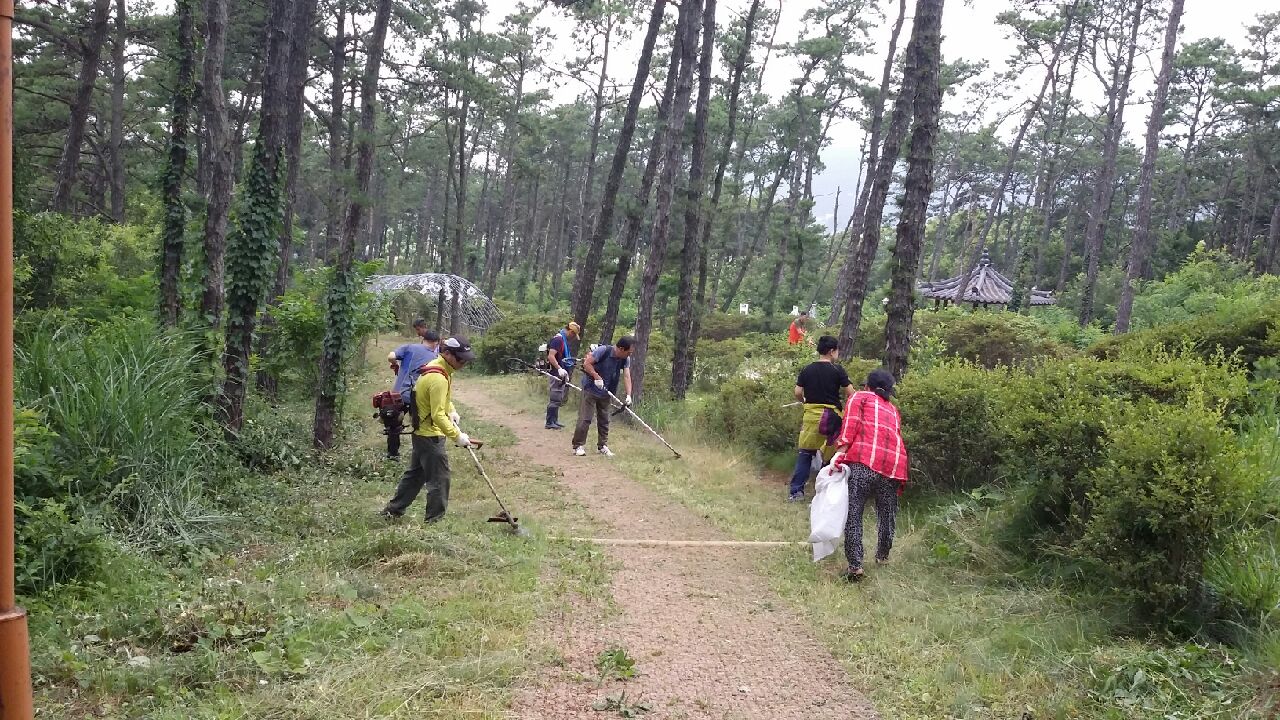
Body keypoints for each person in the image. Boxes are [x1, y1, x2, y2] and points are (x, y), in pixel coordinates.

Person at [380, 337, 479, 523]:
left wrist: (451, 410)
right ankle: (434, 521)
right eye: (460, 359)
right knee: (440, 479)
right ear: (447, 354)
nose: (463, 363)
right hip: (430, 436)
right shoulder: (438, 377)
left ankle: (393, 510)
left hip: (422, 434)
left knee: (415, 476)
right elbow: (437, 415)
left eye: (466, 359)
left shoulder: (439, 368)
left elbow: (441, 400)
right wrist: (457, 436)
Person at [832, 368, 909, 582]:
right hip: (894, 466)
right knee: (887, 514)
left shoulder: (860, 397)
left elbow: (850, 427)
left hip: (864, 460)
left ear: (868, 386)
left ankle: (855, 566)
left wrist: (839, 455)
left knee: (854, 512)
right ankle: (882, 557)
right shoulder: (893, 409)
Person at [788, 335, 853, 501]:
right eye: (837, 350)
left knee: (805, 453)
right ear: (831, 351)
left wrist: (804, 401)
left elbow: (797, 392)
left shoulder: (807, 369)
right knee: (829, 455)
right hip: (831, 418)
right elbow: (851, 393)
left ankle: (796, 492)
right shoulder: (837, 370)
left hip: (811, 416)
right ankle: (824, 492)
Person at [379, 337, 441, 460]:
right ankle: (420, 453)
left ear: (423, 339)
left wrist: (394, 364)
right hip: (419, 396)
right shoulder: (435, 358)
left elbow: (391, 356)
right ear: (436, 343)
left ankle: (393, 454)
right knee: (420, 425)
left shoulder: (409, 348)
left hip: (400, 394)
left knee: (393, 423)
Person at [572, 336, 634, 457]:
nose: (630, 354)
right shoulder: (603, 351)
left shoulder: (625, 359)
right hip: (591, 388)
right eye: (629, 352)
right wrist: (596, 376)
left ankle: (602, 446)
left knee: (604, 420)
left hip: (607, 391)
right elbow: (587, 363)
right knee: (585, 418)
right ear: (621, 349)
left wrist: (628, 395)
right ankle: (578, 445)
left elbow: (627, 376)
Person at [545, 321, 581, 430]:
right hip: (555, 373)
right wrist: (559, 368)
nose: (573, 338)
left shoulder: (563, 341)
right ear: (570, 332)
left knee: (558, 397)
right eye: (573, 335)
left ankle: (554, 420)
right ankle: (549, 422)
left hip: (561, 374)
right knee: (554, 397)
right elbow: (551, 356)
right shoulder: (558, 339)